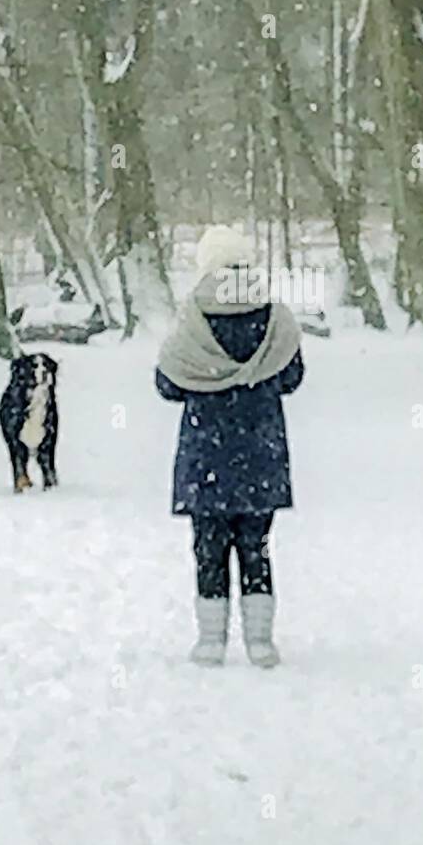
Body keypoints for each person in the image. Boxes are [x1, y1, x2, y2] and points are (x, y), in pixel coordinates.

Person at [155, 226, 305, 667]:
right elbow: (292, 378)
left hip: (207, 452)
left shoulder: (191, 318)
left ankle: (210, 640)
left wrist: (209, 382)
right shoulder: (275, 316)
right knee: (256, 545)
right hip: (261, 449)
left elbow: (167, 384)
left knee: (209, 546)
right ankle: (261, 642)